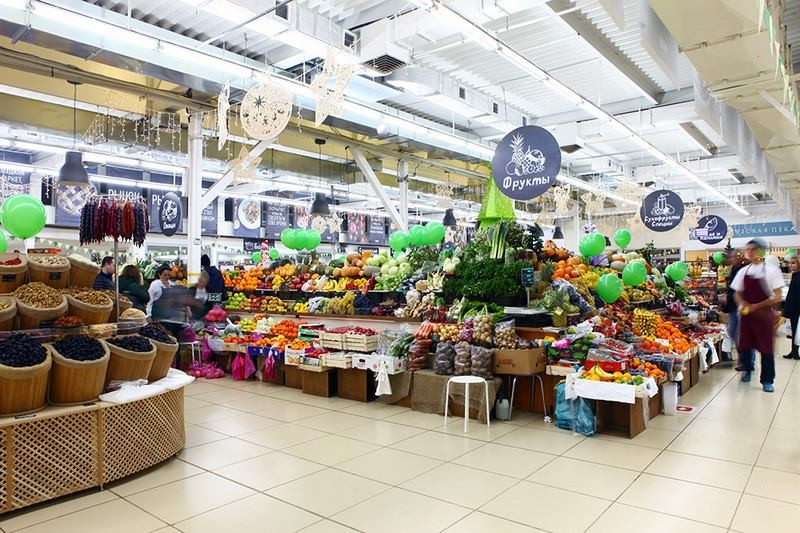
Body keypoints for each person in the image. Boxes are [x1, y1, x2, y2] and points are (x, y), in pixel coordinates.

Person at [731, 238, 784, 392]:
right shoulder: (743, 272)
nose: (750, 252)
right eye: (748, 249)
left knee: (766, 349)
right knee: (745, 346)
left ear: (761, 251)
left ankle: (767, 380)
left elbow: (777, 296)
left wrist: (756, 306)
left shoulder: (772, 271)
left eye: (753, 249)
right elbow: (737, 293)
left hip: (764, 316)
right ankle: (747, 370)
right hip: (747, 317)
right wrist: (742, 303)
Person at [722, 250, 746, 365]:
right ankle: (742, 357)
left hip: (739, 306)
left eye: (733, 257)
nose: (731, 259)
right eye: (730, 257)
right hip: (733, 306)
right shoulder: (734, 269)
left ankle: (745, 359)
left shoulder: (742, 270)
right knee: (732, 332)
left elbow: (739, 289)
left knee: (740, 334)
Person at [783, 253, 800, 360]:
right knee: (794, 331)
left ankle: (795, 352)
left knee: (796, 331)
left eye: (793, 263)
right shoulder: (795, 275)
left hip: (796, 309)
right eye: (790, 263)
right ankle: (794, 351)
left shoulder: (798, 276)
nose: (790, 265)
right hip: (794, 309)